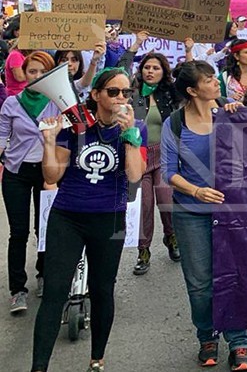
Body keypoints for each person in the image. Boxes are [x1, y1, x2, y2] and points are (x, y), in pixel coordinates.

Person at [32, 67, 147, 372]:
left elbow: (135, 176)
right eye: (113, 92)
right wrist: (48, 141)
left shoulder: (134, 129)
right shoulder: (74, 128)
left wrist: (130, 136)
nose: (121, 98)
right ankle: (38, 367)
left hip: (109, 219)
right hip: (67, 216)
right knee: (54, 293)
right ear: (95, 95)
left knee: (101, 290)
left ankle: (97, 358)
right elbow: (51, 175)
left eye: (126, 93)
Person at [162, 61, 247, 370]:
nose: (216, 83)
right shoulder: (174, 124)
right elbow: (169, 173)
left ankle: (239, 342)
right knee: (200, 283)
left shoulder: (231, 112)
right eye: (209, 79)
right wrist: (196, 191)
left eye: (216, 77)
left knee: (234, 276)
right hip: (191, 214)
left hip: (231, 213)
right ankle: (207, 337)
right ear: (192, 90)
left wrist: (244, 117)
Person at [1, 52, 60, 313]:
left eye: (43, 72)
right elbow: (2, 135)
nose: (37, 77)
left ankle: (44, 275)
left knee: (45, 229)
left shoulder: (57, 102)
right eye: (32, 71)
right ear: (24, 73)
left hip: (48, 173)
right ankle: (17, 290)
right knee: (19, 232)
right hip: (16, 172)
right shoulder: (12, 104)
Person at [128, 50, 180, 276]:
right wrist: (135, 45)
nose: (150, 71)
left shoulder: (170, 92)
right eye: (147, 67)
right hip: (139, 156)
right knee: (145, 206)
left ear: (163, 72)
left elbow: (189, 77)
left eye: (155, 68)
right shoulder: (131, 92)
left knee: (166, 200)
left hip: (164, 155)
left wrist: (188, 50)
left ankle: (172, 238)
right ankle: (143, 251)